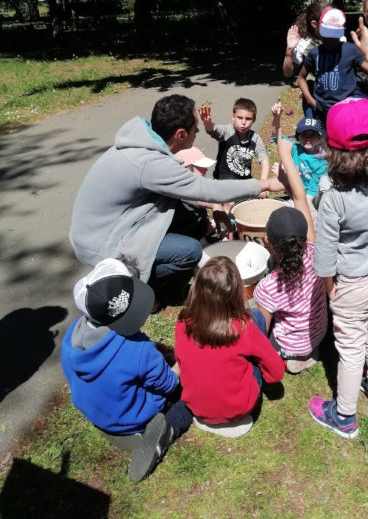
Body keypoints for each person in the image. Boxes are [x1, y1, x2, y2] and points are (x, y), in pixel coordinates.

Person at [70, 95, 280, 303]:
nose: (198, 132)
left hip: (116, 222)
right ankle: (135, 284)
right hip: (101, 242)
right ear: (180, 134)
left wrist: (215, 205)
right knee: (191, 252)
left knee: (195, 219)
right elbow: (204, 188)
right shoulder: (151, 163)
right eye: (195, 129)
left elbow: (188, 190)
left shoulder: (145, 142)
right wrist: (266, 184)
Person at [309, 17, 368, 440]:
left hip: (353, 284)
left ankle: (344, 415)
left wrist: (330, 289)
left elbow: (326, 253)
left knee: (349, 349)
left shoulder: (332, 193)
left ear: (332, 145)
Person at [61, 257, 192, 482]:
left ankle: (115, 429)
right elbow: (170, 383)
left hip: (97, 411)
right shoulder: (139, 350)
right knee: (188, 400)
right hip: (131, 416)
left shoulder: (71, 336)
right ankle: (161, 431)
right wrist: (184, 360)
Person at [254, 103, 328, 374]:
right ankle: (310, 347)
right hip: (320, 331)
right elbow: (300, 198)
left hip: (291, 345)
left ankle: (296, 357)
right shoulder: (315, 251)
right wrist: (286, 158)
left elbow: (259, 329)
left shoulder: (268, 287)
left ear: (268, 243)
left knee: (254, 317)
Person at [174, 256, 285, 437]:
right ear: (235, 293)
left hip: (196, 407)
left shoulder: (183, 323)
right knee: (256, 317)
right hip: (239, 409)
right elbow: (276, 371)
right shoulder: (243, 327)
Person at [297, 8, 368, 126]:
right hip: (320, 110)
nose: (330, 40)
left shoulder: (350, 50)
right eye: (327, 36)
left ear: (343, 31)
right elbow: (301, 78)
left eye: (334, 37)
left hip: (345, 110)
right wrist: (310, 100)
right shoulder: (315, 53)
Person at [271, 116, 328, 219]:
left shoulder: (322, 159)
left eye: (312, 135)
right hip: (296, 192)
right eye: (304, 135)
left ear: (319, 138)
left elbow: (313, 188)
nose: (308, 139)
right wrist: (276, 117)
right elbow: (277, 136)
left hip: (313, 198)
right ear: (297, 137)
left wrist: (301, 204)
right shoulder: (294, 148)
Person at [282, 1, 330, 116]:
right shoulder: (304, 44)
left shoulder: (340, 40)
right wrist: (289, 50)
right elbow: (288, 73)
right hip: (313, 96)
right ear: (314, 23)